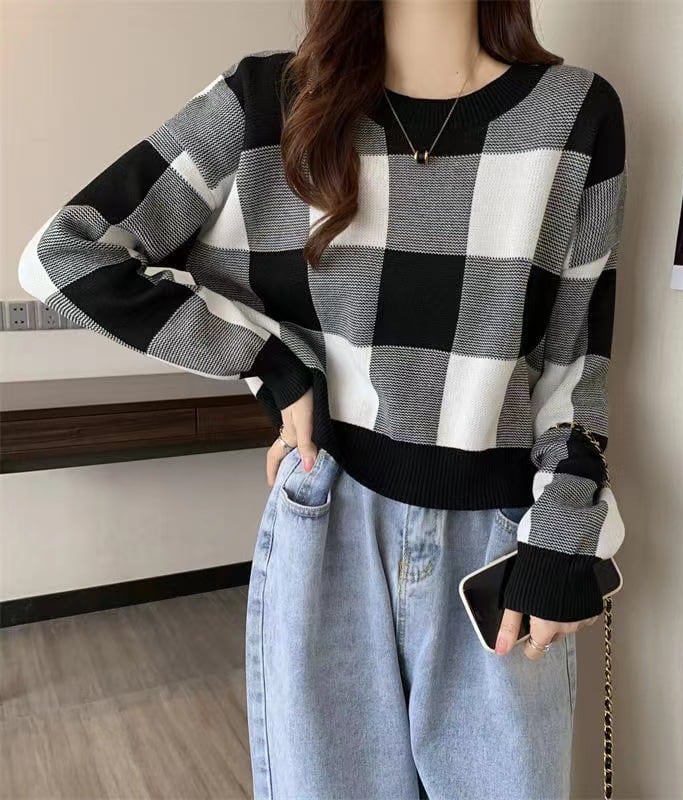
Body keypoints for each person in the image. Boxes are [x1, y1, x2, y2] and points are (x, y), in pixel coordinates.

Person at [17, 1, 628, 797]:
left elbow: (574, 368)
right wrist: (270, 361)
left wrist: (564, 534)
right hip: (329, 517)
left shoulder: (576, 113)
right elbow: (65, 255)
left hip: (499, 544)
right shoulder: (266, 102)